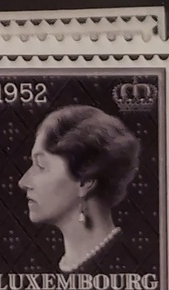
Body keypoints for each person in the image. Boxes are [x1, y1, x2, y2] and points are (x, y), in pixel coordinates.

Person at [18, 103, 144, 275]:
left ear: (85, 182)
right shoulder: (42, 268)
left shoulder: (128, 265)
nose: (23, 182)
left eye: (41, 166)